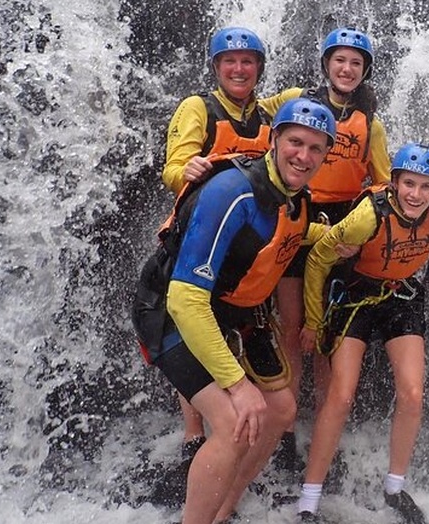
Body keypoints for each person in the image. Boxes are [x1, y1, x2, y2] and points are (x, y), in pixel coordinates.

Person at [132, 97, 337, 524]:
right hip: (171, 311)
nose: (304, 156)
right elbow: (186, 299)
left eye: (317, 149)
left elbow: (285, 231)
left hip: (226, 311)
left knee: (280, 410)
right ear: (274, 139)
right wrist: (237, 384)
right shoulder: (232, 191)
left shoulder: (293, 194)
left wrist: (337, 238)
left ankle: (222, 509)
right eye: (296, 142)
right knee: (232, 422)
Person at [295, 143, 429, 523]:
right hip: (356, 298)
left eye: (426, 187)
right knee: (341, 396)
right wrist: (313, 322)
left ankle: (395, 488)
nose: (416, 194)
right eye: (408, 184)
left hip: (400, 298)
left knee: (412, 393)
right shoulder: (366, 218)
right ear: (394, 183)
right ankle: (309, 498)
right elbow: (317, 260)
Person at [261, 26, 392, 470]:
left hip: (342, 228)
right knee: (295, 330)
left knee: (329, 336)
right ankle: (283, 429)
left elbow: (382, 181)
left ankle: (322, 430)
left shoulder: (371, 122)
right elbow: (259, 119)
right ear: (326, 64)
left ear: (365, 71)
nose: (347, 68)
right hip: (299, 213)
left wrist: (362, 226)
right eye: (340, 60)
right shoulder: (297, 98)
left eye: (356, 63)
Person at [160, 26, 275, 472]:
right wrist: (184, 169)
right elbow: (172, 168)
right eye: (230, 62)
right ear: (216, 67)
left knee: (230, 326)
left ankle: (236, 415)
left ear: (259, 69)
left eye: (248, 62)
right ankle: (194, 433)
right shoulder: (198, 108)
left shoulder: (267, 115)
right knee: (192, 325)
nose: (239, 69)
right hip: (199, 232)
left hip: (245, 240)